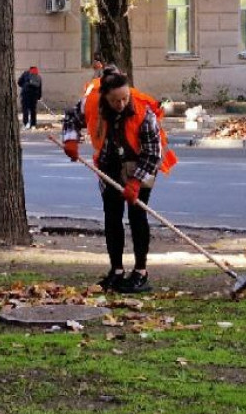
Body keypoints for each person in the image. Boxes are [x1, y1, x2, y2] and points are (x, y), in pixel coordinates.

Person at [61, 70, 179, 294]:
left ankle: (141, 272)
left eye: (125, 98)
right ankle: (116, 270)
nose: (121, 104)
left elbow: (153, 154)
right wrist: (71, 140)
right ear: (105, 96)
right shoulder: (91, 102)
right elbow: (71, 118)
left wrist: (135, 182)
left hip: (140, 164)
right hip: (109, 165)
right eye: (115, 100)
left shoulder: (144, 113)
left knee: (137, 215)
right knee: (112, 215)